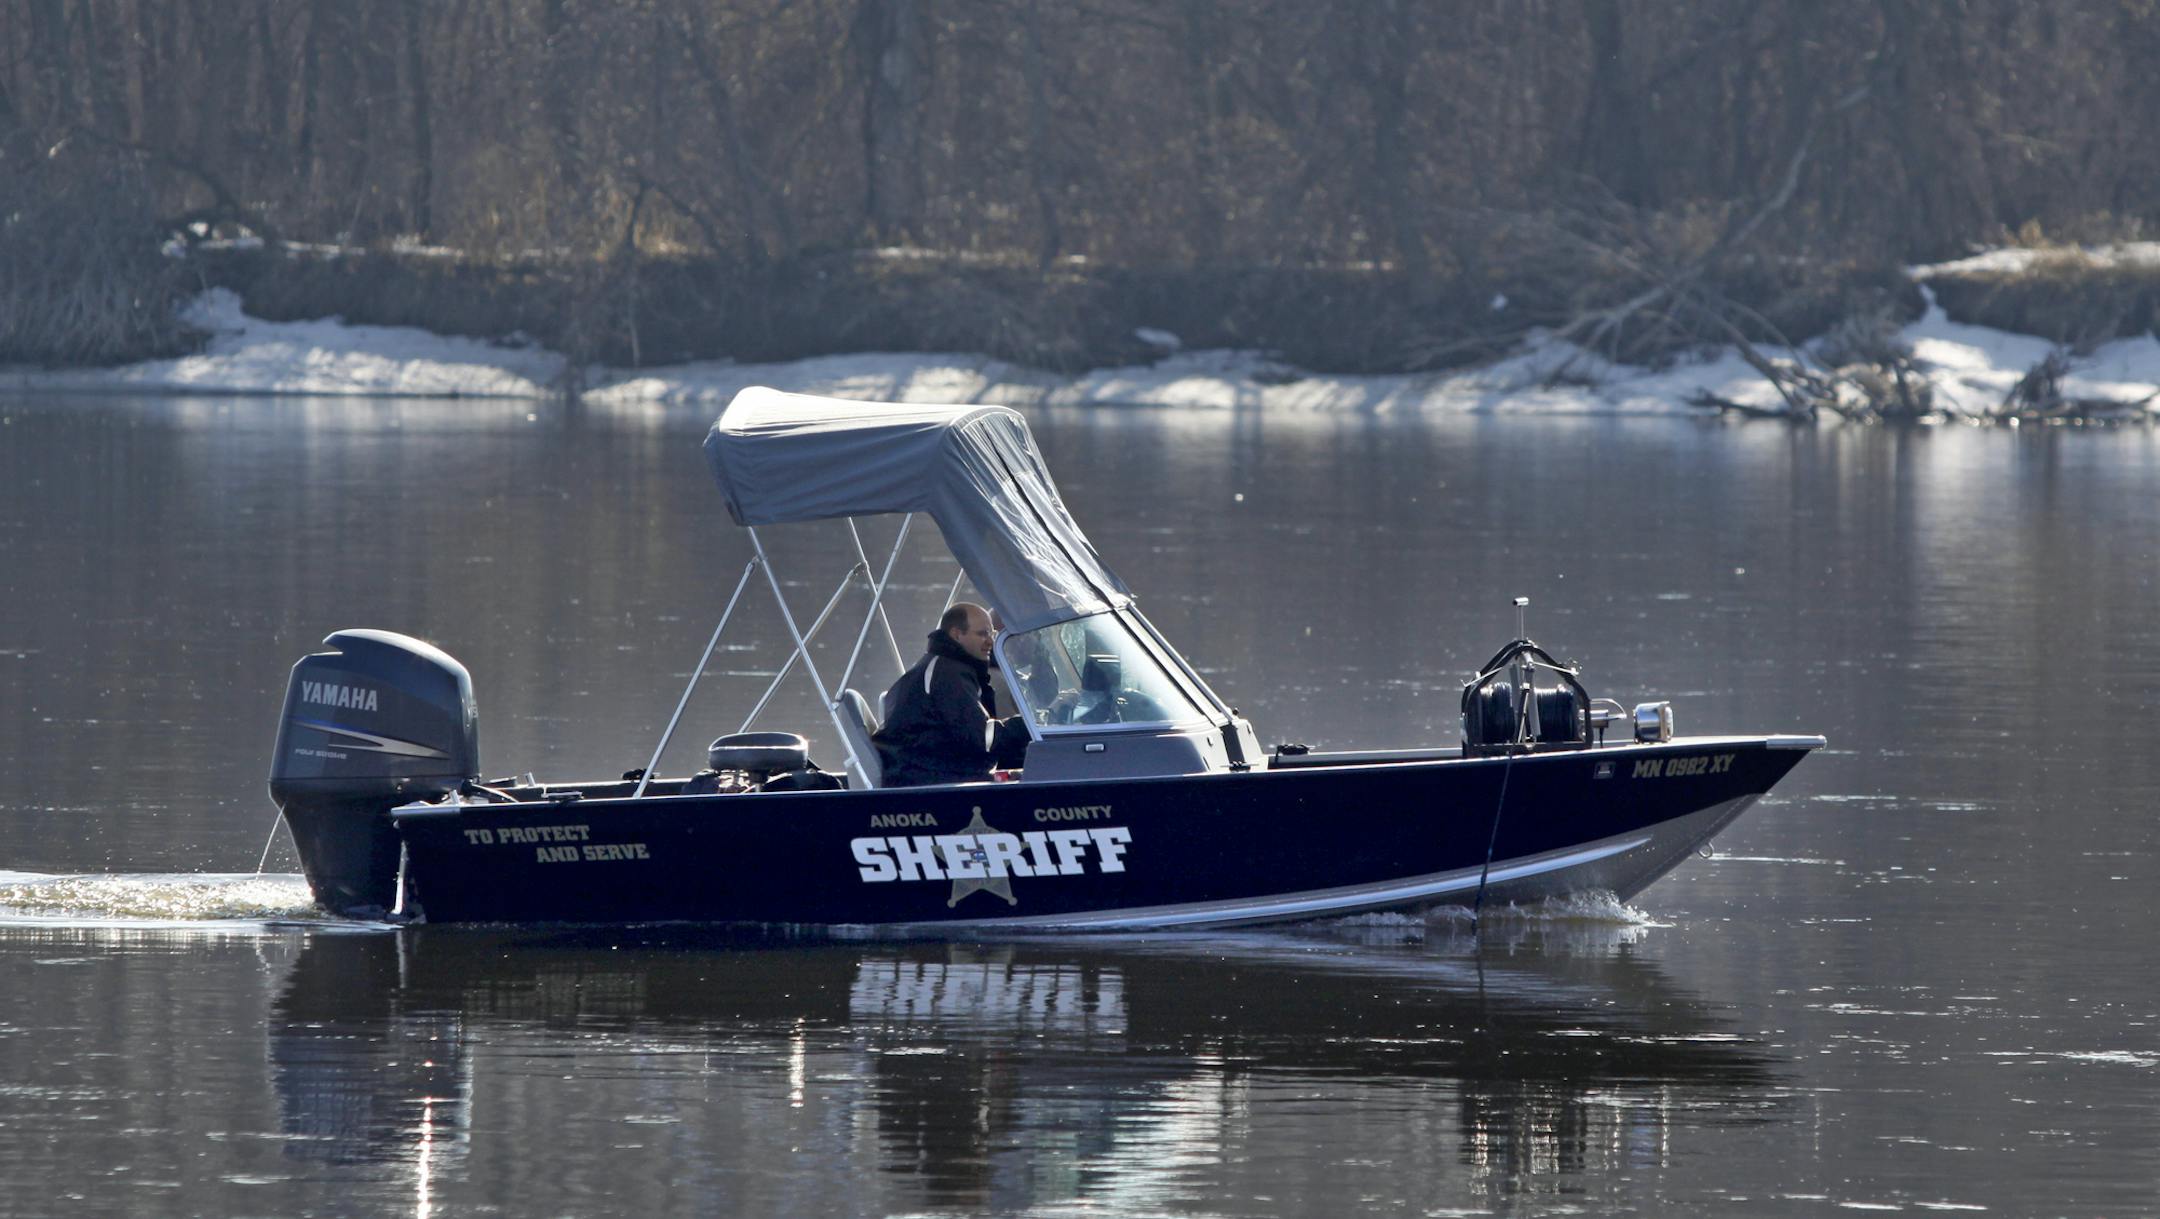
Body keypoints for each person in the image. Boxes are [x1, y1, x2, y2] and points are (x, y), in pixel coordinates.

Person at [874, 602, 1029, 786]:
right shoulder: (947, 675)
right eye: (982, 634)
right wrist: (1028, 724)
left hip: (934, 769)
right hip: (925, 780)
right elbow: (982, 738)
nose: (990, 641)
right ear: (957, 635)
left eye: (992, 634)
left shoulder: (949, 666)